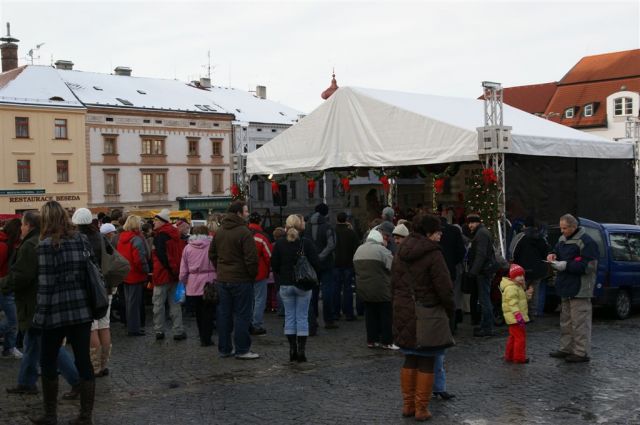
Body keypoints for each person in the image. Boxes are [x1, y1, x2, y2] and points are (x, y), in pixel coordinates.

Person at [2, 212, 80, 399]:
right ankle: (26, 382)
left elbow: (22, 276)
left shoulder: (30, 245)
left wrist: (2, 284)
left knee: (49, 345)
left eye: (22, 224)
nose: (21, 227)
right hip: (37, 302)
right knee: (32, 344)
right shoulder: (38, 240)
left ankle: (78, 382)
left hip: (35, 303)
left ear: (29, 225)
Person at [31, 201, 95, 424]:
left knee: (48, 361)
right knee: (83, 361)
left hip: (55, 313)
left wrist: (38, 318)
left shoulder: (46, 246)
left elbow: (46, 287)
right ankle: (85, 416)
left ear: (46, 220)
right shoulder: (82, 239)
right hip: (81, 310)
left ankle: (50, 414)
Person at [392, 214, 454, 421]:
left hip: (404, 309)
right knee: (427, 358)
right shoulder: (433, 254)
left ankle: (408, 405)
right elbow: (444, 287)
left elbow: (394, 281)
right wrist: (450, 309)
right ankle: (421, 408)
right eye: (437, 232)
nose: (440, 236)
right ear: (428, 233)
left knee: (410, 357)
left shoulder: (401, 250)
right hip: (428, 311)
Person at [208, 201, 259, 360]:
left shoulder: (220, 231)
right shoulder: (244, 232)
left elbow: (212, 254)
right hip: (241, 279)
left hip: (223, 279)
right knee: (242, 315)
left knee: (224, 315)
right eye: (245, 211)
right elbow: (251, 259)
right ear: (238, 213)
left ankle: (224, 349)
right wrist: (251, 275)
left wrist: (220, 268)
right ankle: (242, 349)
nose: (247, 213)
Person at [547, 214, 598, 363]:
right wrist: (552, 255)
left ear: (573, 227)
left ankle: (581, 352)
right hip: (566, 285)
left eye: (564, 228)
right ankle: (566, 348)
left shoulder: (587, 242)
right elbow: (556, 250)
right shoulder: (562, 239)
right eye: (561, 228)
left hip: (580, 288)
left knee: (580, 322)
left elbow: (589, 266)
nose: (562, 231)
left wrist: (566, 265)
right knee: (566, 321)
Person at [271, 214, 320, 362]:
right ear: (300, 226)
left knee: (290, 317)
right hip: (303, 285)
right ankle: (301, 351)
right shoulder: (306, 243)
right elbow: (316, 263)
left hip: (286, 284)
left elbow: (274, 265)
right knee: (302, 318)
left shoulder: (279, 244)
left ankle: (292, 349)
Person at [73, 208, 114, 378]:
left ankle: (94, 367)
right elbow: (112, 255)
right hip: (105, 287)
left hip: (87, 289)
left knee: (92, 329)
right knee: (104, 325)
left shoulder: (77, 239)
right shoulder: (101, 237)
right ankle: (104, 365)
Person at [353, 230, 396, 349]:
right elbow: (393, 267)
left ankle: (372, 340)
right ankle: (387, 342)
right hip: (382, 289)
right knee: (386, 315)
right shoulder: (382, 250)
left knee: (370, 315)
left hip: (364, 289)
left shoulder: (359, 249)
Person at [151, 209, 186, 341]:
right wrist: (176, 271)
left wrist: (170, 269)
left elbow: (162, 256)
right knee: (175, 303)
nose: (154, 223)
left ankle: (159, 330)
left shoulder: (160, 236)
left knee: (158, 304)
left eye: (156, 220)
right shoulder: (176, 234)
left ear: (162, 222)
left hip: (162, 274)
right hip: (175, 274)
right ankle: (178, 330)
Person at [179, 225, 216, 347]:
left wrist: (183, 281)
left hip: (193, 283)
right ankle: (207, 337)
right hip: (210, 282)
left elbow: (183, 270)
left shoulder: (188, 248)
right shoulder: (211, 246)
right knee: (209, 312)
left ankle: (202, 337)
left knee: (199, 313)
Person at [305, 203, 337, 331]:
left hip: (311, 264)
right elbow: (331, 245)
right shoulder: (328, 226)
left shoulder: (307, 226)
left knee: (312, 292)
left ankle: (313, 320)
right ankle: (329, 320)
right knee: (327, 292)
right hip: (326, 263)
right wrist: (320, 256)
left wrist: (313, 258)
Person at [116, 215, 149, 337]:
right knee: (134, 304)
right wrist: (146, 271)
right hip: (135, 274)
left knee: (129, 302)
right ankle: (134, 329)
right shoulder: (136, 239)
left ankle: (132, 327)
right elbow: (139, 260)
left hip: (126, 274)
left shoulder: (121, 238)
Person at [466, 214, 497, 337]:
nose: (470, 225)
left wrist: (473, 271)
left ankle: (487, 327)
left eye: (472, 223)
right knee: (484, 299)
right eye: (469, 223)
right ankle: (485, 325)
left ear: (477, 222)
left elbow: (481, 255)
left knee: (484, 300)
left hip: (483, 271)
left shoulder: (481, 234)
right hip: (483, 270)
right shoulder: (482, 232)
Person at [512, 217, 550, 317]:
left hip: (523, 270)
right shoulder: (541, 237)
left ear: (524, 226)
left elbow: (513, 252)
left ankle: (522, 314)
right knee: (535, 292)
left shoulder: (520, 237)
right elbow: (546, 253)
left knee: (521, 292)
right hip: (538, 270)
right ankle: (533, 313)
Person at [0, 218, 23, 359]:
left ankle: (9, 348)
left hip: (7, 286)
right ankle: (9, 347)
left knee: (12, 318)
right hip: (3, 287)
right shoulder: (4, 246)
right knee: (13, 320)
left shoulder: (11, 244)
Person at [248, 212, 273, 336]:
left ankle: (247, 322)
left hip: (244, 272)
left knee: (249, 299)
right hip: (260, 272)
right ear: (259, 221)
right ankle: (256, 324)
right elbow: (269, 255)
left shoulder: (243, 234)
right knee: (259, 299)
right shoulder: (261, 236)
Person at [501, 264, 531, 364]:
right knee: (520, 338)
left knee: (513, 337)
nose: (521, 278)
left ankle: (509, 355)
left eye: (522, 275)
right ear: (512, 277)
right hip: (516, 318)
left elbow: (520, 300)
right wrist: (518, 315)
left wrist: (528, 295)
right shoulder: (512, 288)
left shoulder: (517, 287)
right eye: (518, 276)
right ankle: (519, 357)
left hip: (514, 318)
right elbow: (512, 303)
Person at [334, 212, 359, 321]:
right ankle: (348, 312)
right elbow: (356, 248)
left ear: (337, 219)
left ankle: (336, 312)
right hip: (349, 263)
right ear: (346, 220)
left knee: (336, 288)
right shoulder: (351, 233)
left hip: (336, 263)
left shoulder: (333, 232)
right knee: (347, 289)